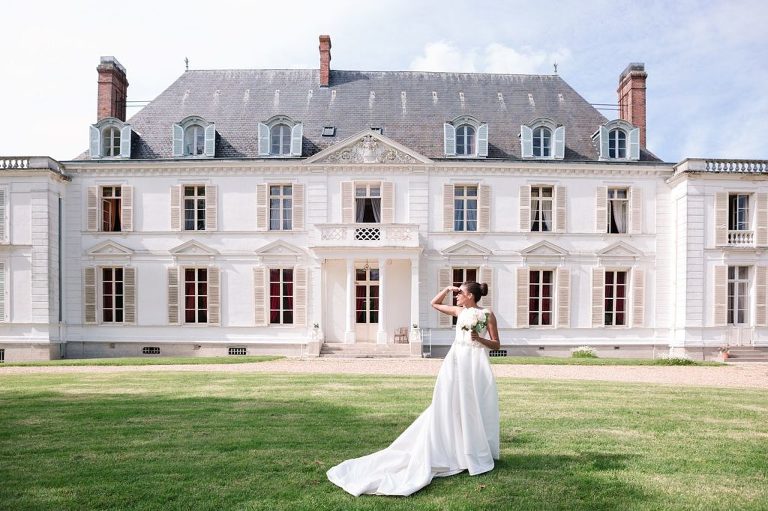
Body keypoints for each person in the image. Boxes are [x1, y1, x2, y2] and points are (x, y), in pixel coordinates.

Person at [326, 281, 501, 496]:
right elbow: (434, 303)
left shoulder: (487, 315)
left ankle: (473, 450)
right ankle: (454, 449)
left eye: (460, 293)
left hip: (476, 362)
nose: (457, 296)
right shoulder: (459, 311)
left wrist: (480, 339)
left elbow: (497, 344)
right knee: (449, 403)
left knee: (474, 405)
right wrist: (447, 290)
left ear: (471, 296)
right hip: (456, 360)